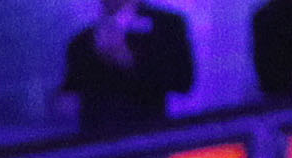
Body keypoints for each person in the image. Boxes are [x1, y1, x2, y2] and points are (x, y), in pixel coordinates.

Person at [63, 0, 195, 138]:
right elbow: (71, 92)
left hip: (148, 139)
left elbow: (183, 81)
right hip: (97, 145)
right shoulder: (82, 41)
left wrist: (128, 61)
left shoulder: (167, 25)